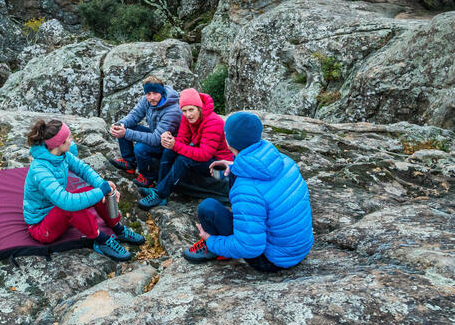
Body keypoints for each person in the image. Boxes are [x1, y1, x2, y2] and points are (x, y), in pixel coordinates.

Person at [183, 111, 314, 271]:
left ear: (228, 141)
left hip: (272, 260)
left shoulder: (246, 190)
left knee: (207, 207)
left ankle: (213, 250)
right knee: (237, 182)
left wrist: (211, 240)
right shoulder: (285, 160)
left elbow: (250, 248)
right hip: (300, 247)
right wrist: (234, 166)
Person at [24, 117, 144, 261]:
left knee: (91, 190)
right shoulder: (40, 170)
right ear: (60, 143)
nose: (72, 139)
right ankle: (101, 240)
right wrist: (101, 191)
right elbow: (66, 202)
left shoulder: (62, 155)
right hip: (42, 228)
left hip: (56, 212)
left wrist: (103, 185)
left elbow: (84, 170)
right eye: (69, 137)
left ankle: (118, 228)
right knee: (71, 206)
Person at [138, 88, 233, 209]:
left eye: (191, 110)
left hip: (220, 165)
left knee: (184, 159)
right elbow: (183, 139)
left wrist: (175, 145)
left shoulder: (213, 122)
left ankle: (160, 195)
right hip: (206, 158)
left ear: (199, 108)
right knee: (169, 150)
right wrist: (170, 139)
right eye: (184, 110)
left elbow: (205, 154)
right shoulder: (187, 118)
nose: (188, 114)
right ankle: (159, 189)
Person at [108, 75, 181, 188]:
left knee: (140, 148)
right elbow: (135, 115)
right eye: (148, 94)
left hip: (167, 144)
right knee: (125, 126)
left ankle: (148, 177)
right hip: (155, 134)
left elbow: (156, 139)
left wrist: (126, 133)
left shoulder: (172, 111)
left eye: (155, 93)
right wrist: (120, 124)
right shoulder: (146, 100)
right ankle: (129, 162)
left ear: (161, 92)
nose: (151, 97)